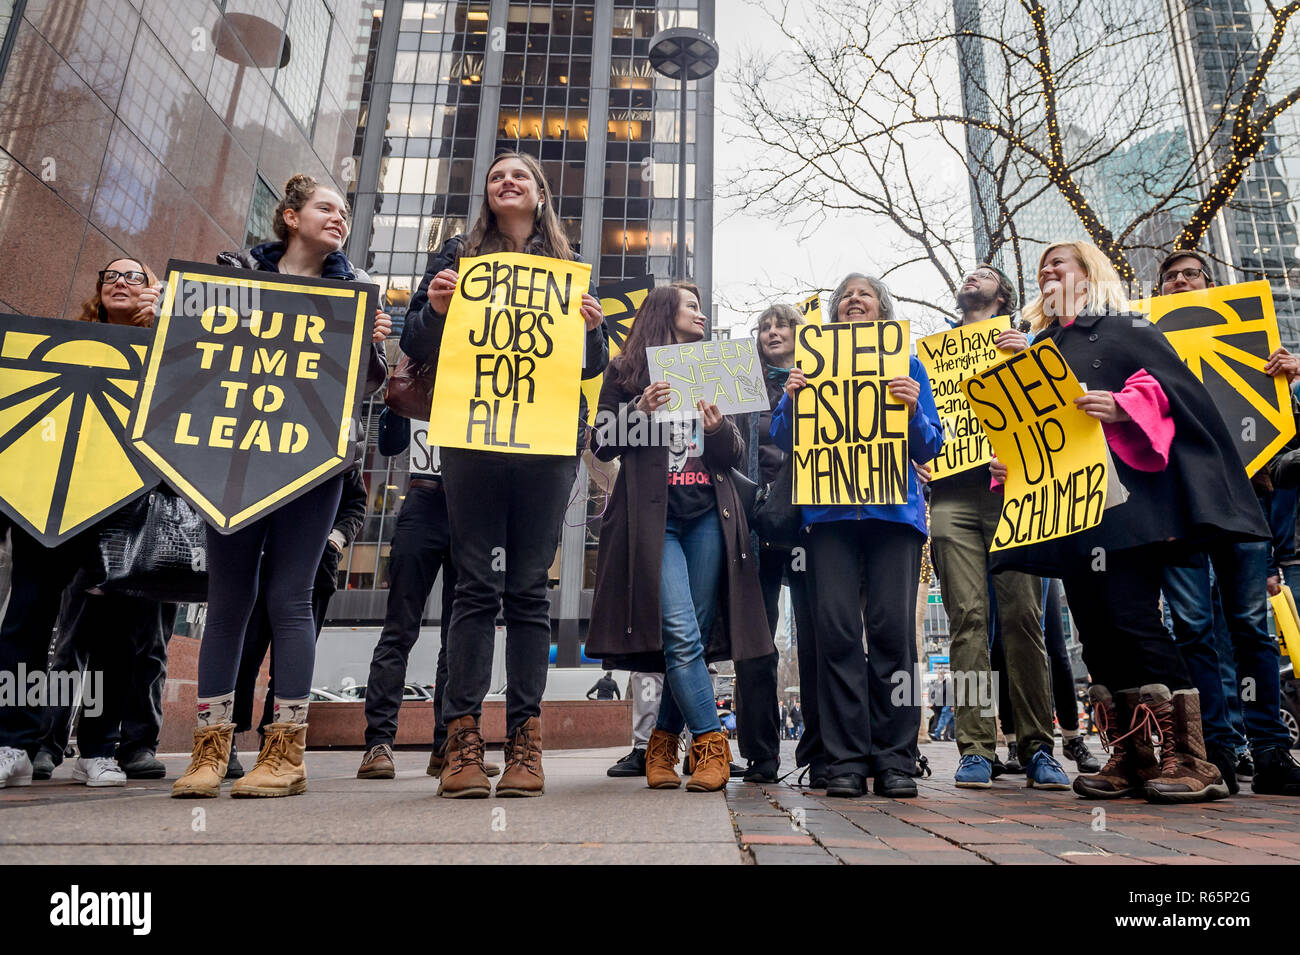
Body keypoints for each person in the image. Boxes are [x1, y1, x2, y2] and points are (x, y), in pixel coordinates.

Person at [994, 240, 1269, 804]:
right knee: (1095, 632)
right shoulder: (1042, 347)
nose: (1048, 268)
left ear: (1088, 272)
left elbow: (1176, 394)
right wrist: (1010, 459)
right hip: (1069, 514)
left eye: (1060, 261)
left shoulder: (1128, 329)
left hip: (1129, 505)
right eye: (1043, 264)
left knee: (1133, 621)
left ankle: (1193, 759)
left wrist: (1123, 405)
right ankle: (1132, 754)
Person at [171, 174, 391, 799]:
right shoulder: (235, 274)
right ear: (290, 217)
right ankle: (210, 751)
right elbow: (196, 358)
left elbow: (367, 388)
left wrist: (372, 350)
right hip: (234, 452)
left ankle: (284, 753)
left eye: (345, 211)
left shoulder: (355, 293)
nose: (339, 217)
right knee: (229, 599)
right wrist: (176, 311)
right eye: (326, 207)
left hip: (314, 457)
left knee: (290, 598)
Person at [402, 152, 608, 798]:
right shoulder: (456, 259)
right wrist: (435, 310)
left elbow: (585, 366)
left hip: (548, 446)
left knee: (525, 589)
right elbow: (415, 344)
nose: (507, 181)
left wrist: (593, 332)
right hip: (474, 440)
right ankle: (462, 738)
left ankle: (525, 738)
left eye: (520, 175)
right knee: (474, 587)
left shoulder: (565, 272)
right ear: (488, 196)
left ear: (540, 196)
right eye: (497, 176)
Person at [586, 282, 771, 792]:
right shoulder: (623, 371)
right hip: (654, 523)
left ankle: (663, 743)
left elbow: (733, 455)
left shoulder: (716, 368)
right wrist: (637, 410)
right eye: (692, 306)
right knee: (682, 631)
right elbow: (600, 444)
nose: (701, 314)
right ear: (666, 312)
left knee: (692, 634)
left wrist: (715, 429)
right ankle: (711, 743)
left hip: (711, 516)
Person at [1, 258, 177, 789]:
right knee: (28, 618)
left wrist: (169, 322)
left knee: (115, 631)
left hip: (122, 503)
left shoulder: (169, 351)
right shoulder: (62, 345)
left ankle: (98, 749)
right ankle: (15, 742)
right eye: (110, 277)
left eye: (133, 277)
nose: (120, 282)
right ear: (97, 294)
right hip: (49, 498)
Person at [771, 273, 946, 798]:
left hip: (895, 518)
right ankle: (844, 759)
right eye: (844, 295)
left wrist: (913, 408)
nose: (852, 300)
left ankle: (896, 758)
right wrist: (791, 399)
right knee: (839, 635)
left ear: (882, 310)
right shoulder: (810, 368)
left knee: (894, 635)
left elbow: (930, 447)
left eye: (863, 294)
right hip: (829, 520)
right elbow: (783, 442)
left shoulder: (909, 365)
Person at [1152, 250, 1300, 796]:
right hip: (1176, 504)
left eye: (1191, 274)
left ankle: (1269, 752)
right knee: (1191, 628)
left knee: (1250, 628)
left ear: (1209, 285)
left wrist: (1294, 378)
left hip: (1243, 502)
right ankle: (1216, 748)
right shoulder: (1147, 345)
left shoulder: (1254, 347)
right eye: (1170, 278)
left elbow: (1289, 438)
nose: (1180, 281)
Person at [928, 263, 1069, 791]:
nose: (973, 277)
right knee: (966, 620)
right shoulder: (932, 353)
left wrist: (1028, 360)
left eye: (984, 273)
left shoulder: (1030, 342)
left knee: (1023, 617)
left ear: (1003, 293)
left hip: (1014, 493)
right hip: (951, 497)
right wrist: (921, 451)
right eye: (967, 273)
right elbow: (921, 427)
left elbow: (1058, 414)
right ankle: (975, 750)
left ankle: (1037, 747)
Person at [230, 456, 367, 778]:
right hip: (258, 562)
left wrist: (335, 540)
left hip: (315, 566)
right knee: (243, 657)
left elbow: (356, 503)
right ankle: (226, 740)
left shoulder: (338, 444)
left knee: (287, 665)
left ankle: (275, 742)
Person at [741, 303, 818, 783]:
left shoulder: (829, 376)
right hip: (757, 523)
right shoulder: (741, 382)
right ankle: (761, 754)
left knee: (817, 638)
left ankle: (821, 751)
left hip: (812, 521)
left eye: (782, 325)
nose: (772, 332)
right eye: (765, 327)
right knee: (756, 643)